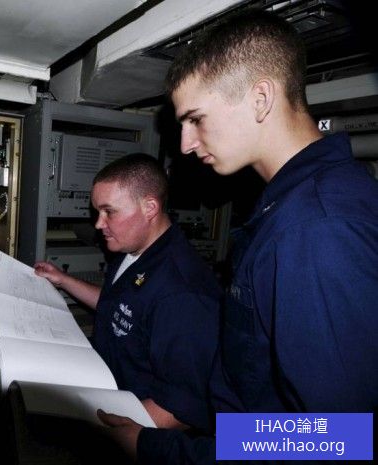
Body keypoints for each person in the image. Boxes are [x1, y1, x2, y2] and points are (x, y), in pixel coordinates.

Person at [97, 8, 378, 463]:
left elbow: (339, 440)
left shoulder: (318, 229)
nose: (185, 143)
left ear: (260, 98)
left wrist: (155, 447)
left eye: (196, 119)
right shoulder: (294, 205)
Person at [34, 153, 222, 432]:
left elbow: (180, 409)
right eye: (98, 211)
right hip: (110, 396)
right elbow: (120, 307)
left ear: (150, 207)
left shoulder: (183, 293)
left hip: (134, 430)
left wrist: (101, 423)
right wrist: (63, 280)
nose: (99, 224)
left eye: (109, 211)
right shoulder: (132, 250)